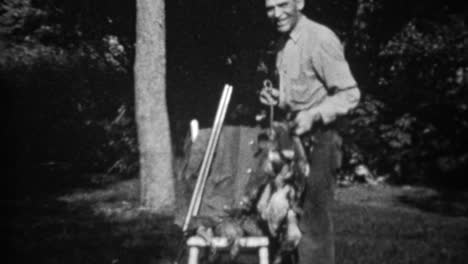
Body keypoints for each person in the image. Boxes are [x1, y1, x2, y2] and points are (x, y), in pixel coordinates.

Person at [259, 0, 361, 264]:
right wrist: (278, 98)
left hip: (322, 139)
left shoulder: (320, 38)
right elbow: (301, 92)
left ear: (300, 2)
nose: (276, 14)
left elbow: (350, 94)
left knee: (313, 223)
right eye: (270, 8)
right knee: (287, 216)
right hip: (293, 139)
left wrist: (314, 115)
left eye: (283, 5)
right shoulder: (283, 42)